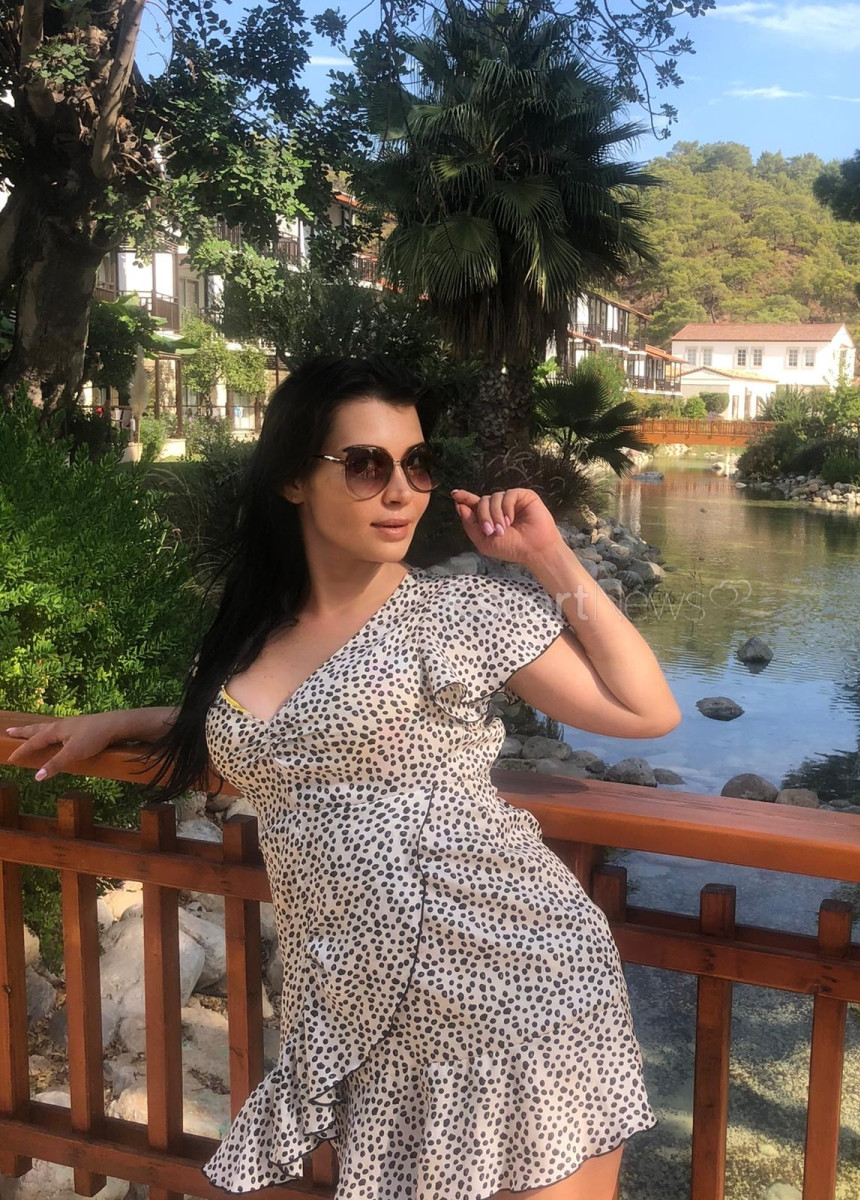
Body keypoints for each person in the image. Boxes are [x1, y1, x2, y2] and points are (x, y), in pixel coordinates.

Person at [4, 356, 681, 1200]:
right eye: (366, 465)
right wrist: (121, 722)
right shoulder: (256, 633)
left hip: (516, 979)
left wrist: (548, 556)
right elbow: (279, 741)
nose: (399, 491)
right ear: (294, 478)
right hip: (361, 1002)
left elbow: (646, 711)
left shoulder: (456, 613)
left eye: (416, 463)